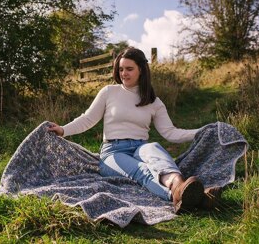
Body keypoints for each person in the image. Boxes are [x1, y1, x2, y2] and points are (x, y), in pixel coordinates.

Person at [48, 47, 208, 213]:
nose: (124, 73)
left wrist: (201, 131)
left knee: (159, 156)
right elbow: (88, 119)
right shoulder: (109, 92)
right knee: (143, 171)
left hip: (140, 148)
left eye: (129, 69)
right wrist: (63, 130)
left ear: (141, 70)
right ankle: (179, 196)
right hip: (113, 153)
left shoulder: (154, 101)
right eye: (121, 69)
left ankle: (181, 188)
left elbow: (170, 133)